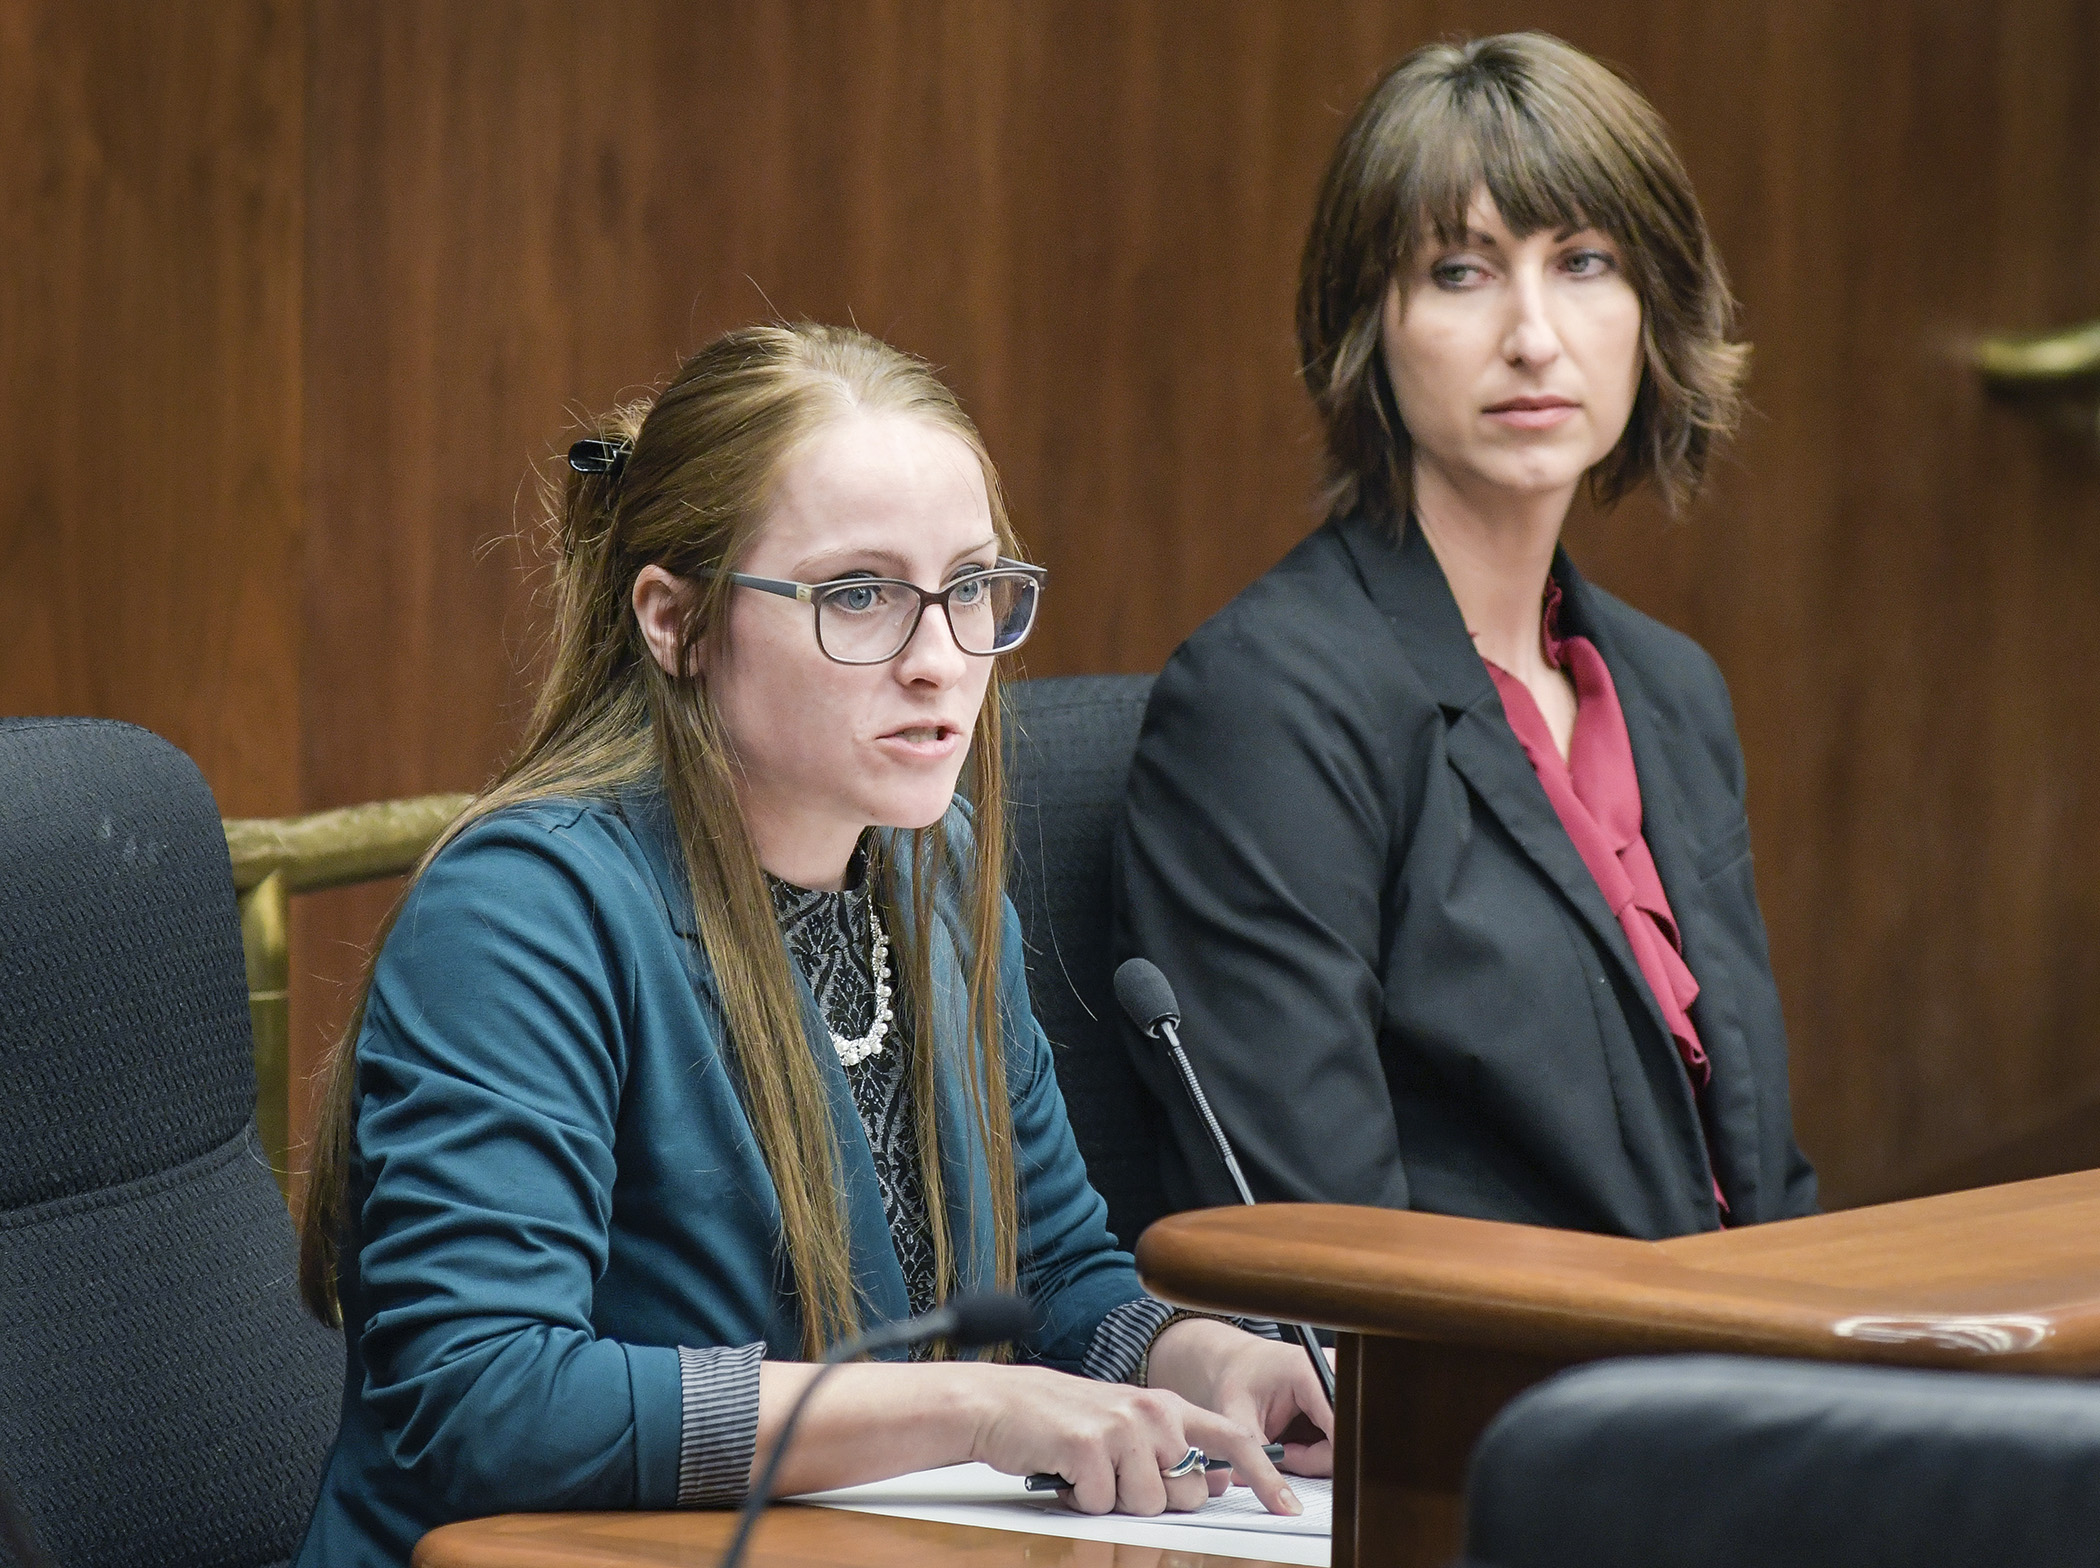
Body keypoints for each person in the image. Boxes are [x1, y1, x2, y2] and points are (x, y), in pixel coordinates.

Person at [292, 324, 1330, 1568]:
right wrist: (970, 1406)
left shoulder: (935, 878)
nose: (941, 661)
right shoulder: (523, 912)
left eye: (971, 587)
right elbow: (485, 1399)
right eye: (859, 596)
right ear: (676, 623)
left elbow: (1054, 1271)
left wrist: (1195, 1353)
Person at [1114, 34, 1818, 1241]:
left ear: (1654, 310)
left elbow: (1764, 1179)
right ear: (1364, 326)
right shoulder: (1270, 703)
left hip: (1731, 1380)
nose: (1535, 334)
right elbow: (1322, 1256)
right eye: (1460, 272)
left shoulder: (1668, 688)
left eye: (1586, 261)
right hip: (1488, 1410)